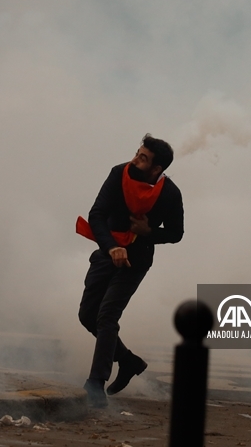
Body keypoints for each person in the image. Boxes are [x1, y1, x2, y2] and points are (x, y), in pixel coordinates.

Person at [76, 134, 184, 407]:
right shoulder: (118, 174)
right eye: (137, 153)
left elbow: (176, 233)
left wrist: (148, 232)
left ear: (156, 169)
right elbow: (96, 215)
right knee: (87, 315)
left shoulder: (170, 193)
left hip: (137, 260)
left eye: (143, 158)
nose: (135, 159)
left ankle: (95, 384)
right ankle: (128, 361)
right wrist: (112, 247)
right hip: (107, 251)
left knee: (106, 316)